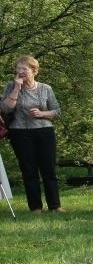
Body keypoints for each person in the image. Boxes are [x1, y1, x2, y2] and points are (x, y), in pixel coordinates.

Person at [0, 55, 64, 213]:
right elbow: (5, 109)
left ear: (34, 71)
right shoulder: (11, 86)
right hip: (20, 132)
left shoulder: (45, 88)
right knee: (29, 170)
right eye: (18, 68)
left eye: (24, 69)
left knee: (48, 169)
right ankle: (35, 207)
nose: (20, 71)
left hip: (44, 131)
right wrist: (16, 88)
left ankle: (55, 206)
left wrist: (42, 114)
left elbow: (57, 111)